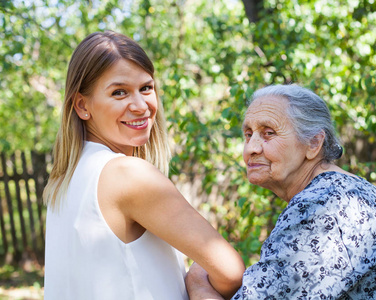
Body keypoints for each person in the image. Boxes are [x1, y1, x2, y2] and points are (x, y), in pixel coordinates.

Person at [43, 30, 245, 300]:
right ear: (82, 106)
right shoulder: (127, 174)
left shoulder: (65, 181)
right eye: (119, 92)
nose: (141, 106)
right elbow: (230, 271)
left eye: (146, 88)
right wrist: (196, 282)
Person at [186, 84, 376, 299]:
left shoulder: (322, 207)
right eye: (248, 134)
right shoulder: (357, 192)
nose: (251, 149)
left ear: (314, 143)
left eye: (268, 133)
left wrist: (198, 284)